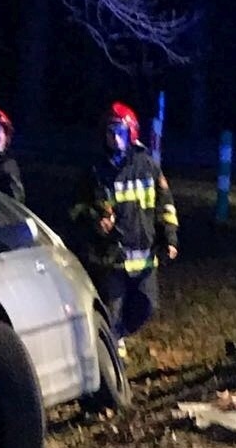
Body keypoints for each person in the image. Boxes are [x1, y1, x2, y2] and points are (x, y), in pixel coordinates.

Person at [70, 102, 179, 356]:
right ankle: (111, 359)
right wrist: (94, 221)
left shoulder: (148, 166)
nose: (114, 137)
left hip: (144, 258)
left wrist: (170, 238)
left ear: (131, 133)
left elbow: (166, 205)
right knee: (112, 311)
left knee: (146, 306)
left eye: (119, 131)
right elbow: (76, 210)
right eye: (110, 132)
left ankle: (120, 336)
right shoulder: (95, 172)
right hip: (112, 258)